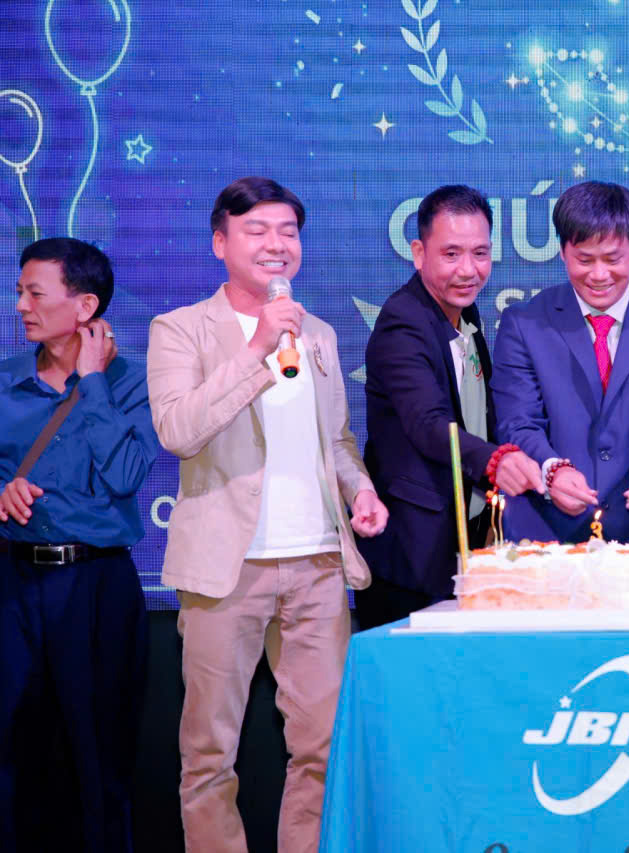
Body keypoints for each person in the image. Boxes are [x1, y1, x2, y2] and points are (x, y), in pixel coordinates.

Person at [147, 177, 389, 853]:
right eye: (256, 231)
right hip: (227, 568)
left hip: (317, 564)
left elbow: (335, 440)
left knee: (323, 746)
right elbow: (178, 430)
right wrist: (256, 350)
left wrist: (360, 491)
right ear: (220, 243)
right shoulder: (180, 329)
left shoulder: (318, 332)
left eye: (288, 231)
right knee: (208, 752)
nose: (276, 244)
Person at [0, 237, 157, 852]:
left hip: (96, 586)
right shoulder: (7, 380)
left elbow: (125, 475)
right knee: (14, 749)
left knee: (99, 754)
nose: (21, 306)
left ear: (85, 305)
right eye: (20, 292)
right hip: (14, 584)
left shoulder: (133, 382)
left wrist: (91, 382)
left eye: (35, 293)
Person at [356, 185, 543, 628]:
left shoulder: (466, 313)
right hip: (412, 552)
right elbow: (427, 423)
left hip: (464, 539)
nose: (468, 270)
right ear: (419, 253)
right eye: (451, 254)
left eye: (480, 253)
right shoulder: (403, 322)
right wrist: (496, 461)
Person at [491, 181, 629, 542]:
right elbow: (517, 421)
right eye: (585, 260)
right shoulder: (524, 324)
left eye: (613, 259)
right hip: (543, 531)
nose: (599, 275)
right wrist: (552, 471)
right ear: (562, 252)